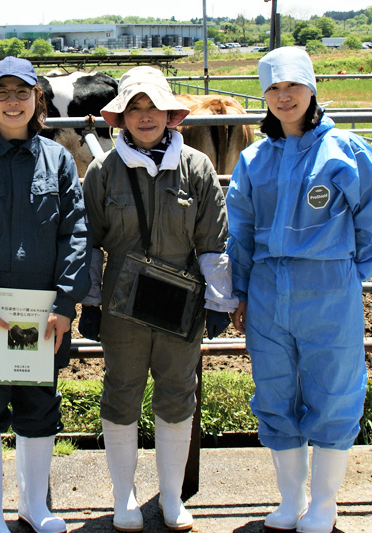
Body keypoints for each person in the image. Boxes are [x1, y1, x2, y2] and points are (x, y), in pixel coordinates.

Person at [81, 66, 237, 532]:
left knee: (176, 394)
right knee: (121, 393)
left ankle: (171, 497)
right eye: (135, 108)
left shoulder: (196, 166)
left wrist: (217, 301)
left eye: (153, 108)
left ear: (170, 115)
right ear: (121, 117)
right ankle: (123, 494)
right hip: (122, 304)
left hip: (181, 302)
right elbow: (88, 242)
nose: (145, 117)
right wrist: (90, 302)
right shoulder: (102, 171)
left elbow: (213, 240)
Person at [226, 47, 372, 533]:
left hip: (329, 286)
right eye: (273, 88)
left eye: (292, 87)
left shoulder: (347, 152)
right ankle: (292, 501)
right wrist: (241, 291)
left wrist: (357, 275)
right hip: (268, 291)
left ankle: (326, 505)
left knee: (334, 391)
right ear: (263, 95)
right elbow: (240, 232)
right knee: (274, 391)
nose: (283, 97)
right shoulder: (254, 159)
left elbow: (370, 220)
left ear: (312, 88)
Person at [0, 56, 91, 533]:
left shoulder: (58, 158)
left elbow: (76, 232)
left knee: (37, 404)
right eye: (1, 93)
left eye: (22, 92)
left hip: (40, 312)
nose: (12, 101)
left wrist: (66, 304)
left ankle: (34, 506)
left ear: (37, 100)